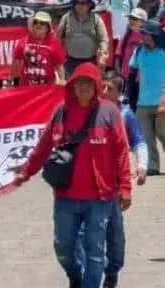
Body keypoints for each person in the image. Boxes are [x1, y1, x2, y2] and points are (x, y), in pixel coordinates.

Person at [14, 63, 132, 288]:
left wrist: (125, 188)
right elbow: (43, 146)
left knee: (95, 252)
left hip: (99, 198)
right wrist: (25, 172)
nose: (84, 88)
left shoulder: (110, 113)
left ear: (97, 86)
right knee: (63, 248)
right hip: (66, 196)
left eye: (89, 83)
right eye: (79, 83)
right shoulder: (61, 112)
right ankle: (75, 275)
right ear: (72, 86)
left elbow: (121, 153)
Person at [73, 75, 147, 288]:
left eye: (110, 88)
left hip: (113, 189)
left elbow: (139, 141)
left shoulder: (125, 115)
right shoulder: (87, 111)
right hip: (87, 188)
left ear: (119, 93)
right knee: (82, 234)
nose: (104, 91)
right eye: (102, 86)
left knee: (114, 235)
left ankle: (112, 272)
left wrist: (141, 167)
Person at [126, 20, 165, 174]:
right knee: (147, 136)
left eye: (146, 34)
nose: (143, 36)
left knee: (163, 133)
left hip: (162, 100)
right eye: (142, 33)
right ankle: (153, 166)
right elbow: (132, 71)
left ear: (154, 35)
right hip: (143, 101)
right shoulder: (139, 51)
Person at [57, 0, 108, 76]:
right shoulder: (66, 18)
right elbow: (58, 37)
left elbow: (103, 39)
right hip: (70, 62)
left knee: (88, 86)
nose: (79, 5)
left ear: (89, 5)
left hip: (90, 61)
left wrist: (103, 55)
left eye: (83, 3)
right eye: (77, 3)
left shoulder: (96, 19)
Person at [11, 11, 66, 85]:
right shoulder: (23, 41)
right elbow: (16, 61)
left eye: (42, 23)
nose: (38, 25)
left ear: (48, 28)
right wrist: (14, 80)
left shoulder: (55, 43)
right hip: (26, 86)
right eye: (36, 22)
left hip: (47, 87)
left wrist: (62, 80)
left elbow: (59, 65)